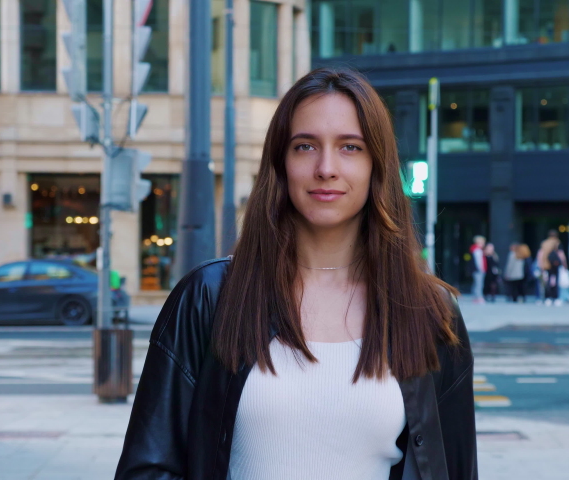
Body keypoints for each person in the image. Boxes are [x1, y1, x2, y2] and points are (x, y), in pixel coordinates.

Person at [115, 68, 477, 480]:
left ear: (377, 164)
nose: (326, 168)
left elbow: (455, 469)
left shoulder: (429, 311)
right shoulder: (210, 297)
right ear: (280, 163)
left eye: (350, 147)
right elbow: (148, 468)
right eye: (305, 146)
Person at [537, 230, 566, 306]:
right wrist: (564, 264)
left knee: (547, 281)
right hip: (555, 264)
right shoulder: (557, 243)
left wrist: (541, 265)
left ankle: (547, 298)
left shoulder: (544, 243)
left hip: (546, 265)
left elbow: (540, 254)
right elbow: (561, 254)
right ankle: (555, 297)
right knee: (556, 281)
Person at [470, 235, 487, 304]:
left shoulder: (475, 249)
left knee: (477, 283)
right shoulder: (477, 250)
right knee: (479, 284)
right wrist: (481, 269)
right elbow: (478, 261)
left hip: (477, 270)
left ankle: (476, 296)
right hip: (478, 270)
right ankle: (478, 297)